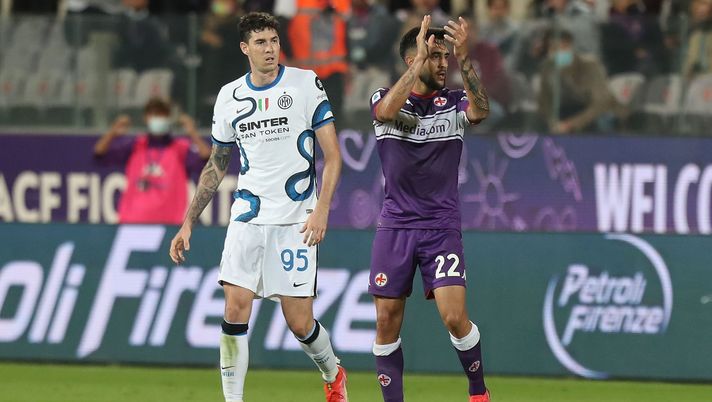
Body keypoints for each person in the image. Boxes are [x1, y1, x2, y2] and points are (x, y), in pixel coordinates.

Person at [168, 12, 347, 402]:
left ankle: (333, 373)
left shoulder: (305, 84)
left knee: (299, 323)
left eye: (274, 41)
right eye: (261, 43)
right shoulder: (229, 97)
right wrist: (187, 223)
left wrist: (322, 210)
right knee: (235, 308)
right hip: (248, 217)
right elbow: (216, 165)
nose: (270, 49)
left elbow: (333, 157)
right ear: (245, 48)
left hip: (296, 219)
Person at [368, 15, 491, 402]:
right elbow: (387, 112)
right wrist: (419, 57)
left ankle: (478, 392)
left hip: (441, 227)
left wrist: (466, 57)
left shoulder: (453, 103)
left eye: (445, 57)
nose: (443, 64)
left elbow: (481, 111)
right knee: (386, 322)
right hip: (396, 227)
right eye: (435, 56)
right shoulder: (382, 97)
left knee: (455, 317)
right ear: (413, 60)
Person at [94, 98, 211, 224]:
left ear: (169, 118)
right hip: (132, 221)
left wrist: (193, 133)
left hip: (169, 223)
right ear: (146, 118)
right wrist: (112, 133)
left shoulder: (180, 148)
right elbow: (99, 153)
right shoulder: (136, 145)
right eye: (154, 114)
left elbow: (208, 160)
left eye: (162, 115)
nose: (158, 118)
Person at [538, 30, 624, 134]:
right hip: (566, 113)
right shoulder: (548, 67)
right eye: (553, 48)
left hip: (597, 114)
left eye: (563, 47)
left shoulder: (589, 65)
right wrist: (552, 123)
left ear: (571, 47)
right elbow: (544, 101)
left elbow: (602, 102)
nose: (558, 52)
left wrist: (571, 124)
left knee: (603, 119)